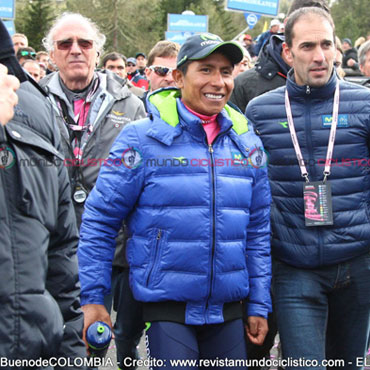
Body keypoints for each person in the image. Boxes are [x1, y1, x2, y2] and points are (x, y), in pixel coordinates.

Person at [78, 32, 272, 368]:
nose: (219, 81)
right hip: (165, 307)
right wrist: (93, 299)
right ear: (180, 77)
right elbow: (100, 221)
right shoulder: (141, 138)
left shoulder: (246, 141)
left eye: (226, 71)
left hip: (228, 308)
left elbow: (256, 232)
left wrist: (258, 303)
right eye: (206, 70)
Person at [245, 7, 370, 369]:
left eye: (326, 45)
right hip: (295, 267)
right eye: (307, 46)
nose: (319, 56)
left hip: (357, 262)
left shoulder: (363, 103)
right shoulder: (259, 111)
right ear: (287, 51)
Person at [40, 12, 146, 369]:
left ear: (97, 52)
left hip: (117, 247)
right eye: (64, 44)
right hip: (53, 245)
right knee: (60, 336)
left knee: (120, 338)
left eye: (84, 43)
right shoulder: (32, 101)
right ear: (51, 54)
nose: (75, 50)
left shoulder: (130, 103)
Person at [0, 19, 86, 367]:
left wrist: (72, 351)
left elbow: (61, 250)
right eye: (65, 44)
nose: (76, 51)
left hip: (35, 344)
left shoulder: (35, 109)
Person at [141, 40, 179, 110]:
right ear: (148, 73)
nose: (170, 78)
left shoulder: (195, 111)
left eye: (176, 73)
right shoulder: (133, 107)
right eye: (162, 70)